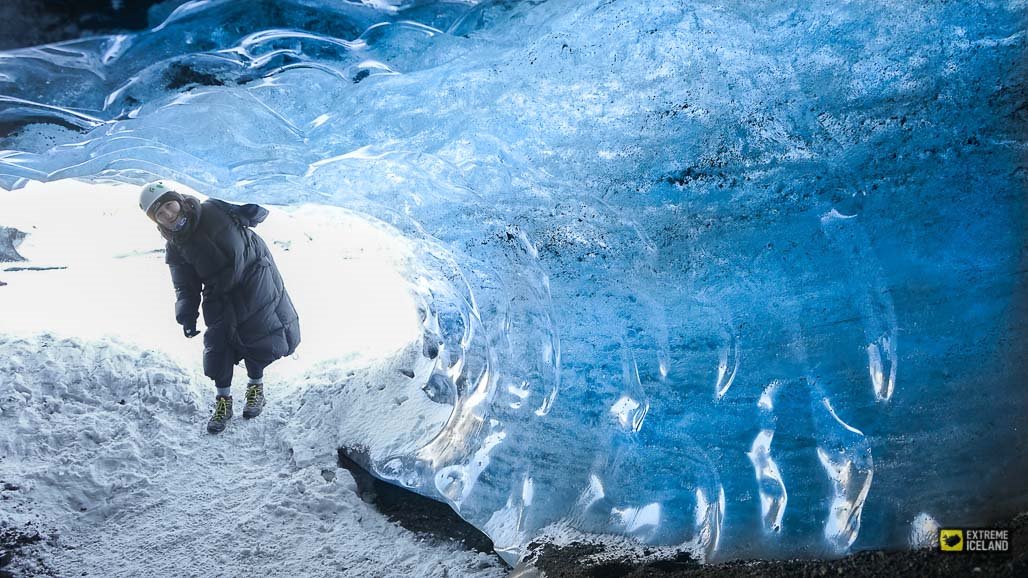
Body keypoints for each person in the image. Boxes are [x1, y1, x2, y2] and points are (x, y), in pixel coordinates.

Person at [139, 181, 301, 434]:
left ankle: (255, 387)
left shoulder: (213, 208)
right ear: (156, 221)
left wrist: (252, 207)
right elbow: (185, 286)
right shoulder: (175, 247)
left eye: (169, 205)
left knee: (259, 335)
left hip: (254, 277)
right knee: (218, 344)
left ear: (178, 200)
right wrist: (187, 314)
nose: (169, 214)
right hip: (220, 291)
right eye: (160, 214)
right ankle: (223, 400)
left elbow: (253, 213)